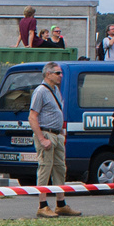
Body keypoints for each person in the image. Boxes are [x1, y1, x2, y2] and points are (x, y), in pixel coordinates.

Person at [27, 61, 80, 218]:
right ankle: (42, 205)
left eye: (61, 73)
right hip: (47, 134)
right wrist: (42, 138)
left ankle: (61, 204)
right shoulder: (40, 91)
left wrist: (61, 133)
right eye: (57, 73)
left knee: (60, 169)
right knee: (45, 168)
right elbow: (32, 117)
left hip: (57, 135)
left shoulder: (56, 90)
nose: (60, 76)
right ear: (48, 74)